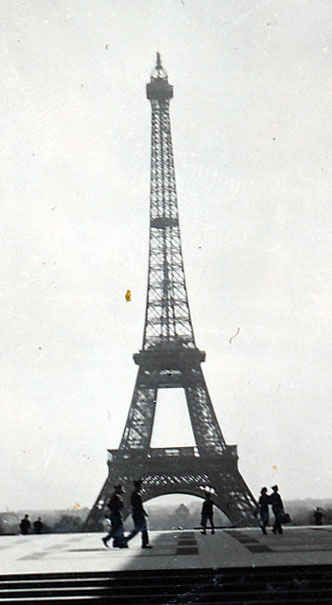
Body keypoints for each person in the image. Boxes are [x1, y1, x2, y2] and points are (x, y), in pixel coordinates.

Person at [125, 480, 152, 549]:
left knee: (139, 529)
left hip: (136, 513)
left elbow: (136, 505)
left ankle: (125, 540)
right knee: (141, 529)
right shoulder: (136, 494)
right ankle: (144, 543)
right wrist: (143, 512)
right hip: (138, 514)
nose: (141, 487)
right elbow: (139, 506)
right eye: (140, 486)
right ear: (138, 486)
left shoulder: (134, 494)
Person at [102, 484, 127, 548]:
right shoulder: (117, 497)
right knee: (119, 528)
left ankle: (116, 542)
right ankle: (118, 542)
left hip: (113, 514)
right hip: (116, 514)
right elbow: (120, 506)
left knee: (116, 528)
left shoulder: (113, 496)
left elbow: (109, 505)